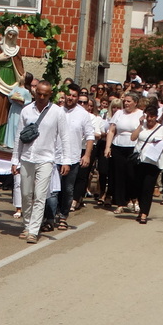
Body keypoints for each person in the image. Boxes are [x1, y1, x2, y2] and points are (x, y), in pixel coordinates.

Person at [11, 81, 67, 244]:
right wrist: (15, 159)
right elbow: (19, 136)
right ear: (35, 92)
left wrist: (66, 161)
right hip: (27, 157)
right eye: (39, 94)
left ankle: (34, 231)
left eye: (45, 95)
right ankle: (27, 225)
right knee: (26, 194)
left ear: (50, 95)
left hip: (46, 159)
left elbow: (64, 137)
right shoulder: (26, 110)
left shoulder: (57, 112)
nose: (41, 97)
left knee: (40, 195)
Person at [56, 83, 94, 230]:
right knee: (53, 190)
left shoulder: (83, 114)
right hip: (55, 156)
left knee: (67, 189)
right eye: (68, 95)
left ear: (78, 98)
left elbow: (90, 136)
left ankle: (63, 216)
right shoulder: (57, 111)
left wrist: (87, 155)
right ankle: (50, 216)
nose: (70, 98)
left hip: (72, 158)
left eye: (74, 96)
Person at [104, 93, 144, 211]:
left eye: (129, 101)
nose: (126, 103)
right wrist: (108, 147)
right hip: (118, 146)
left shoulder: (141, 114)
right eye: (125, 101)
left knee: (132, 175)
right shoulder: (119, 113)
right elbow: (111, 131)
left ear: (135, 102)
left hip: (133, 147)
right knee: (119, 175)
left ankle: (134, 199)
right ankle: (120, 204)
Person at [130, 105, 163, 224]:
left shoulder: (162, 129)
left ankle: (144, 213)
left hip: (153, 162)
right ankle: (142, 209)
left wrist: (161, 143)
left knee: (147, 188)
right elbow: (133, 138)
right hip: (140, 160)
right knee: (138, 187)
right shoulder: (142, 126)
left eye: (152, 116)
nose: (150, 119)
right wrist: (140, 125)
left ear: (156, 116)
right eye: (148, 116)